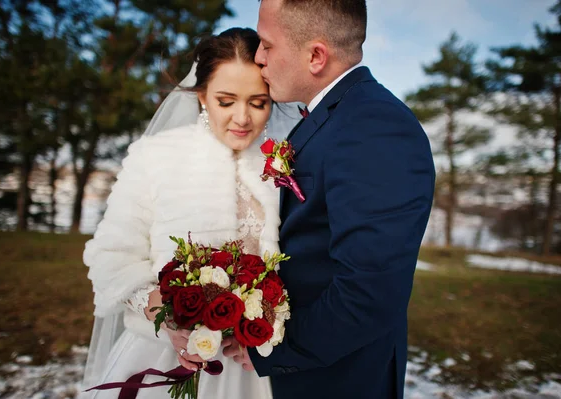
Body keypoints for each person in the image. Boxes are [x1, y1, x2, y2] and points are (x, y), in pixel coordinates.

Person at [222, 1, 436, 398]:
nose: (258, 56)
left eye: (267, 45)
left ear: (316, 56)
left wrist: (273, 348)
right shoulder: (336, 116)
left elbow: (369, 293)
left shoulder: (374, 126)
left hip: (339, 379)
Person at [79, 27, 297, 399]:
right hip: (163, 359)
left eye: (257, 103)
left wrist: (268, 326)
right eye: (225, 101)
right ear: (201, 96)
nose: (242, 118)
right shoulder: (156, 157)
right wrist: (164, 318)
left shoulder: (282, 166)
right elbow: (110, 257)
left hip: (254, 370)